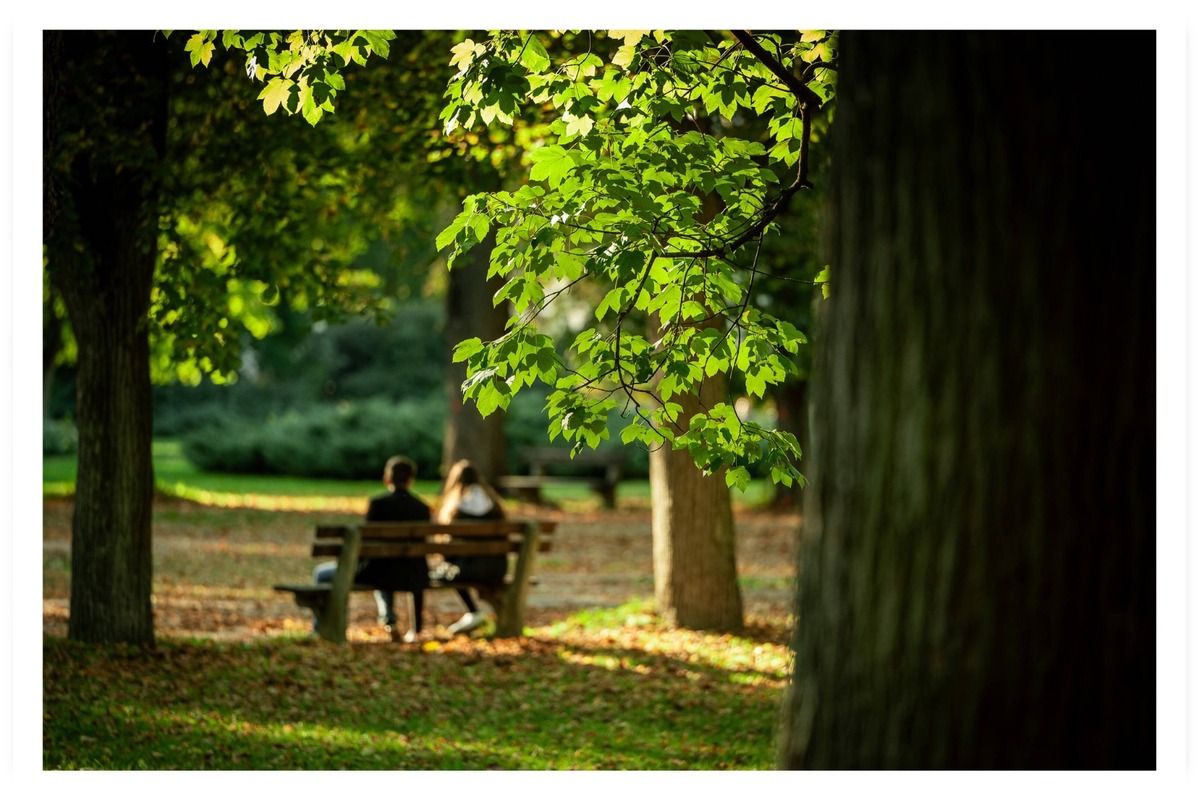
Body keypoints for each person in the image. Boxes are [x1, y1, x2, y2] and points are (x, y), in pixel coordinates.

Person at [314, 455, 430, 643]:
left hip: (378, 571)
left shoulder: (378, 504)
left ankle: (320, 629)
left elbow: (365, 544)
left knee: (321, 573)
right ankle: (392, 619)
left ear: (387, 479)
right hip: (412, 572)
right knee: (386, 566)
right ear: (411, 480)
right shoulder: (422, 508)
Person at [433, 459, 509, 635]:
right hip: (497, 568)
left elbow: (448, 550)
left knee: (450, 569)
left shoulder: (456, 508)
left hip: (467, 569)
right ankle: (485, 614)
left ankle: (473, 611)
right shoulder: (494, 505)